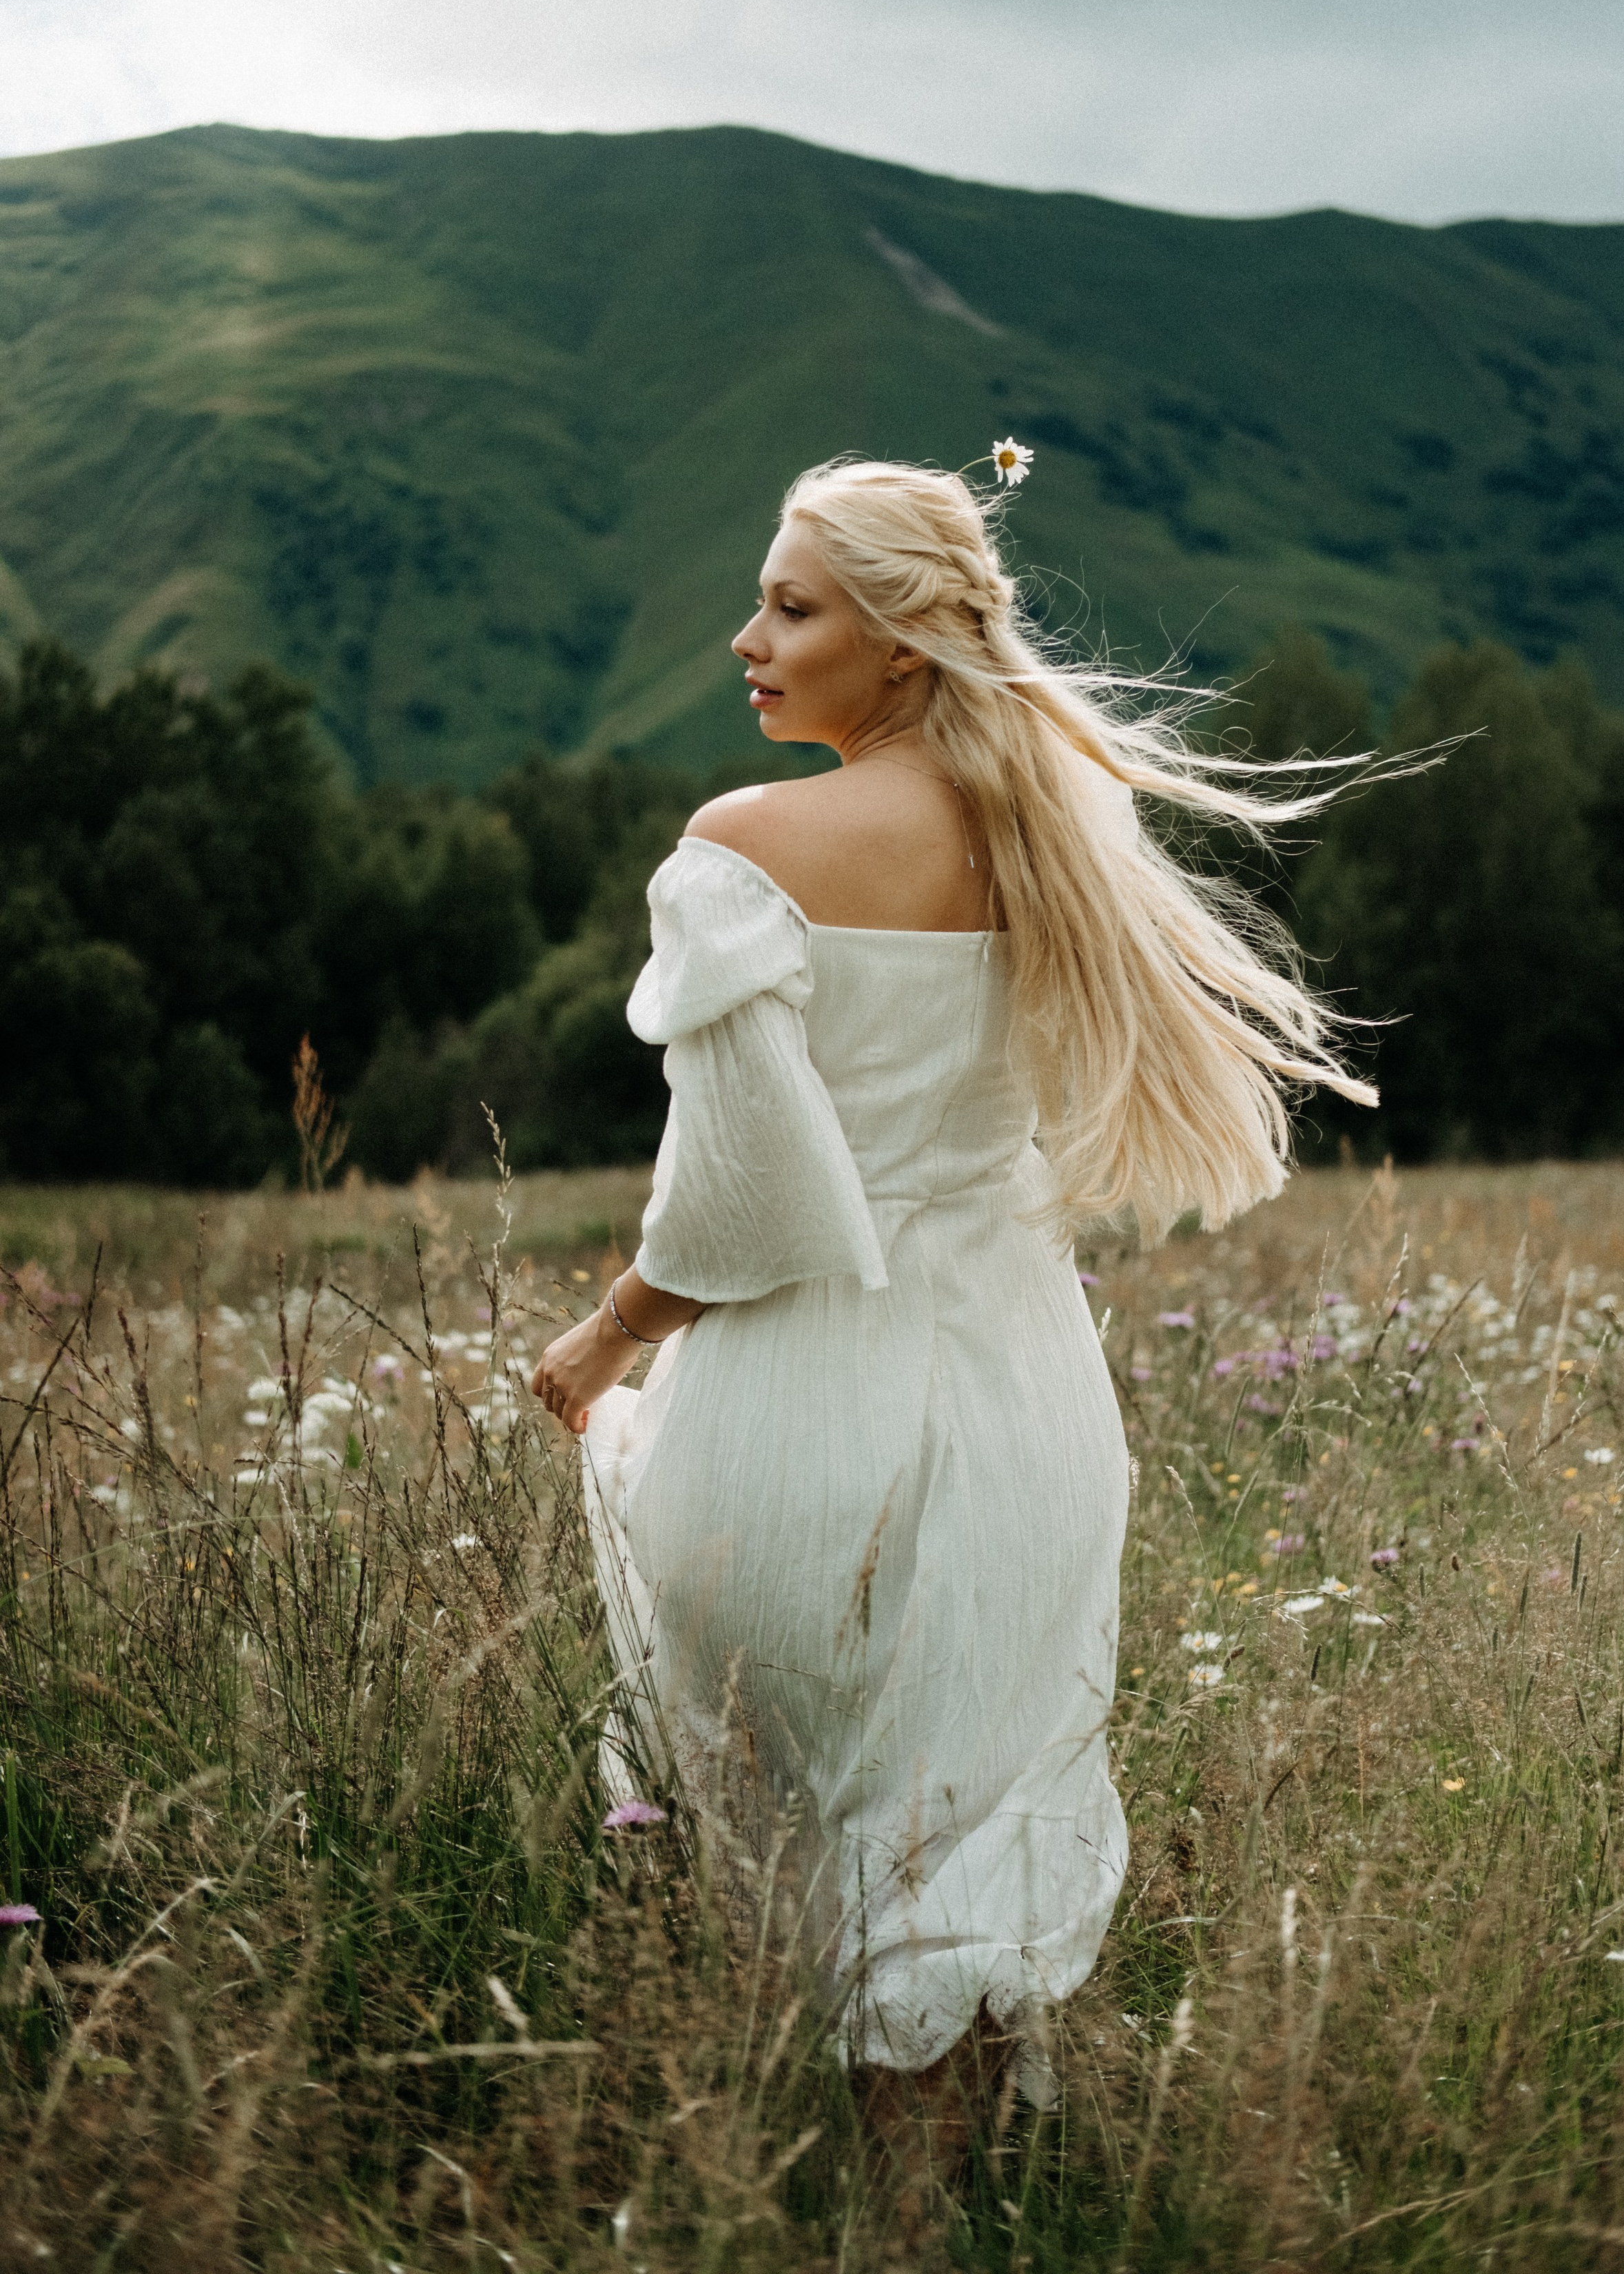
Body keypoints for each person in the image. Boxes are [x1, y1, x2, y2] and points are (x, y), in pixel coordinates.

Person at [531, 453, 1374, 2186]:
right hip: (1023, 1410)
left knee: (806, 1815)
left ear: (904, 646)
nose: (745, 639)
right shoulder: (1050, 836)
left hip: (807, 1399)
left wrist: (608, 1337)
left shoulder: (738, 854)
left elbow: (745, 1198)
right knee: (959, 1828)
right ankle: (965, 2208)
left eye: (792, 606)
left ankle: (881, 2213)